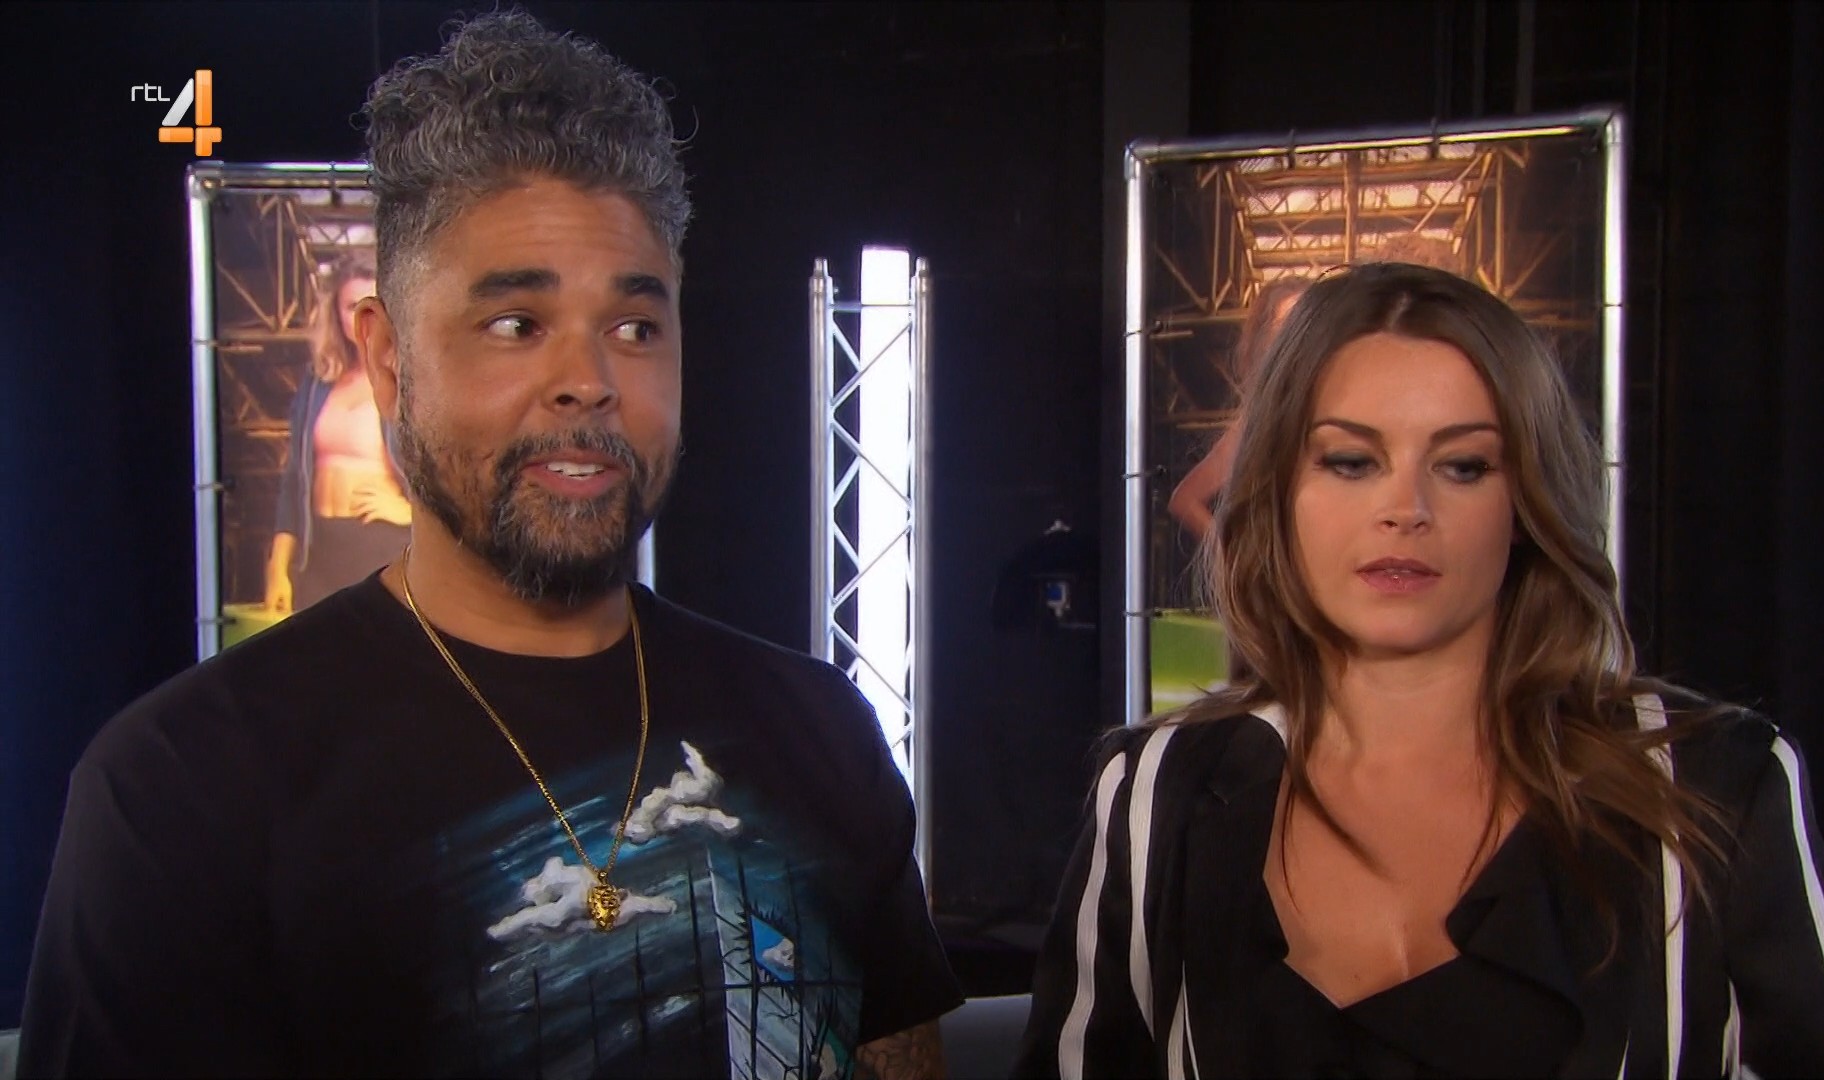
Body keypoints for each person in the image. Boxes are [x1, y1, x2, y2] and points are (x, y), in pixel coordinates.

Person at [21, 12, 960, 1079]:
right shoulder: (182, 788)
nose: (587, 380)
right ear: (387, 361)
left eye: (635, 328)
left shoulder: (821, 733)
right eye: (516, 324)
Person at [1015, 262, 1824, 1078]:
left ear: (1526, 503)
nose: (1406, 509)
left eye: (1464, 465)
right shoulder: (1153, 794)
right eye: (1351, 461)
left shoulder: (1714, 786)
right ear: (1277, 491)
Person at [263, 248, 413, 614]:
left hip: (381, 546)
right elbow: (294, 481)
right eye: (351, 307)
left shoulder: (412, 382)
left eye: (375, 305)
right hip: (317, 550)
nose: (363, 319)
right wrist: (277, 566)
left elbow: (457, 466)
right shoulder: (318, 382)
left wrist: (410, 511)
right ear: (335, 313)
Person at [1165, 277, 1309, 543]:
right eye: (1285, 326)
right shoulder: (1258, 420)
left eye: (1303, 324)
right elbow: (1184, 500)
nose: (1294, 338)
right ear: (1266, 341)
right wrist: (1230, 555)